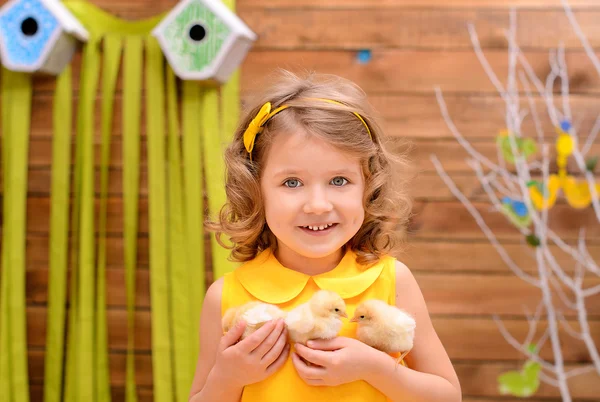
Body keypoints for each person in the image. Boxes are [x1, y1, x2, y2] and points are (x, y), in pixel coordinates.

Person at [188, 70, 461, 402]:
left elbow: (447, 396)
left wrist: (376, 369)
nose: (317, 205)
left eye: (339, 181)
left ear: (368, 186)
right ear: (255, 190)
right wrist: (227, 378)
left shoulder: (393, 281)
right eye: (292, 182)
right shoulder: (225, 297)